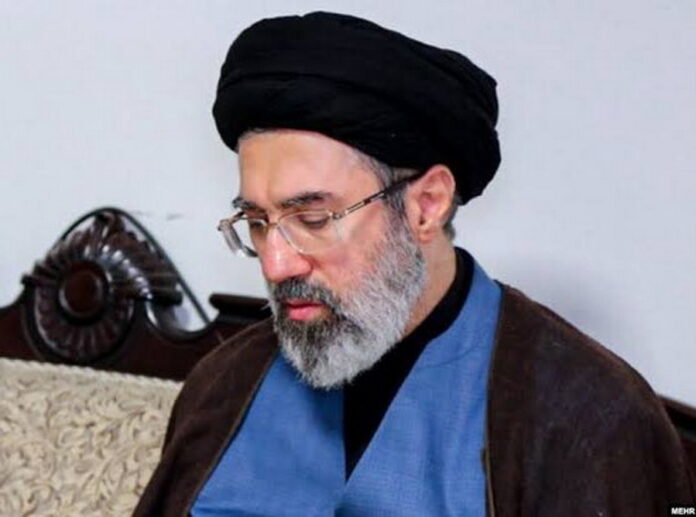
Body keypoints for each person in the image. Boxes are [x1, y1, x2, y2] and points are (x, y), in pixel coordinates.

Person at [135, 11, 694, 516]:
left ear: (427, 204)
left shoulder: (588, 416)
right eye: (257, 222)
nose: (277, 265)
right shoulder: (226, 384)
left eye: (313, 218)